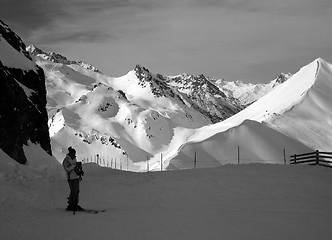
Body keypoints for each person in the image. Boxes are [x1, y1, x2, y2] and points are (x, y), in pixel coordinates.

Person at [62, 146, 84, 211]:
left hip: (76, 177)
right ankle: (71, 204)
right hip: (71, 178)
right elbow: (67, 169)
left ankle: (75, 204)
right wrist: (74, 166)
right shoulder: (66, 160)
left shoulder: (74, 159)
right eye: (73, 153)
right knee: (73, 191)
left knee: (77, 191)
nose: (74, 155)